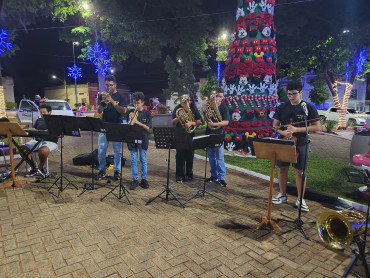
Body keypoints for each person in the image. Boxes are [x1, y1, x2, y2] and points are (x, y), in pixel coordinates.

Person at [272, 80, 321, 212]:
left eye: (294, 94)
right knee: (282, 169)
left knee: (300, 172)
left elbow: (317, 127)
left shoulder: (308, 107)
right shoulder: (282, 107)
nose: (291, 97)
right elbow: (275, 126)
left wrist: (295, 130)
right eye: (288, 94)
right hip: (284, 142)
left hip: (301, 143)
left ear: (301, 92)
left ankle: (300, 199)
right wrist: (283, 132)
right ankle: (282, 195)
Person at [95, 74, 127, 181]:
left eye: (111, 85)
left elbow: (123, 111)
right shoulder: (102, 96)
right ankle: (102, 170)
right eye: (107, 85)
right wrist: (103, 102)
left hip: (116, 125)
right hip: (104, 125)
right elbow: (99, 111)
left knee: (117, 151)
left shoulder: (121, 97)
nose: (109, 87)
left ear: (115, 85)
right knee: (101, 150)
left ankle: (117, 171)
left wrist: (112, 101)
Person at [172, 94, 203, 183]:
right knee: (180, 156)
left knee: (190, 155)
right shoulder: (178, 109)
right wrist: (179, 117)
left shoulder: (193, 109)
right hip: (180, 134)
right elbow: (173, 122)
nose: (188, 102)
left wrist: (191, 124)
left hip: (190, 134)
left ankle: (189, 174)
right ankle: (179, 176)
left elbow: (200, 121)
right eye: (186, 100)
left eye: (189, 100)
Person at [21, 104, 58, 177]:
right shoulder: (38, 120)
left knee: (43, 150)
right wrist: (32, 130)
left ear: (49, 112)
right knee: (22, 149)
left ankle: (41, 168)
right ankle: (34, 168)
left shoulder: (55, 121)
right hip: (37, 141)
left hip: (50, 142)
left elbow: (60, 134)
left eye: (44, 112)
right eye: (41, 112)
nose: (42, 114)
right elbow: (35, 130)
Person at [127, 92, 152, 190]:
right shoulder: (131, 113)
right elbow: (128, 127)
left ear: (142, 103)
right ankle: (135, 179)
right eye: (134, 103)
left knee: (143, 159)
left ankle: (144, 179)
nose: (136, 105)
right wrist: (130, 119)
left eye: (138, 103)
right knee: (133, 160)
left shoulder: (147, 113)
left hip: (143, 139)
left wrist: (138, 122)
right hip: (132, 139)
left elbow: (148, 128)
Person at [205, 88, 229, 187]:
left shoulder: (224, 108)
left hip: (219, 134)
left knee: (219, 157)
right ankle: (213, 175)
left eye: (221, 96)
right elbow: (206, 119)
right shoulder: (209, 106)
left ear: (223, 97)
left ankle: (221, 178)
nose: (219, 98)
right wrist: (204, 112)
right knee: (211, 157)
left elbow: (226, 122)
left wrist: (214, 123)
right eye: (217, 96)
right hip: (209, 133)